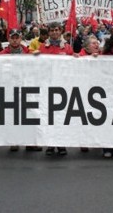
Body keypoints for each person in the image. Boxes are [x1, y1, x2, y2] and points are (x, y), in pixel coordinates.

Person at [35, 22, 73, 156]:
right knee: (48, 116)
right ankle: (50, 144)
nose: (54, 33)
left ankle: (61, 143)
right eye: (52, 30)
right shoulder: (42, 47)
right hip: (47, 86)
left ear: (60, 31)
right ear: (49, 32)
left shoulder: (68, 48)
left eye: (57, 30)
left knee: (61, 117)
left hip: (62, 86)